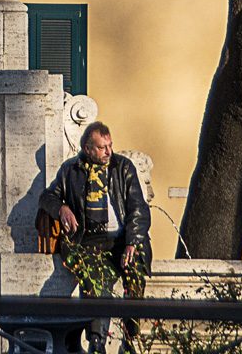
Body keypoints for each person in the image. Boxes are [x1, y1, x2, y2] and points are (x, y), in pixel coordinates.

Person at [39, 121, 153, 354]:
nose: (109, 151)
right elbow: (47, 196)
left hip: (122, 239)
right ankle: (97, 342)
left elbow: (139, 209)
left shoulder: (123, 167)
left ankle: (131, 337)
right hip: (87, 240)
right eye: (102, 148)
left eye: (110, 145)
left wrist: (133, 241)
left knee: (135, 272)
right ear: (88, 149)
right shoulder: (70, 170)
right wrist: (61, 209)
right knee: (95, 280)